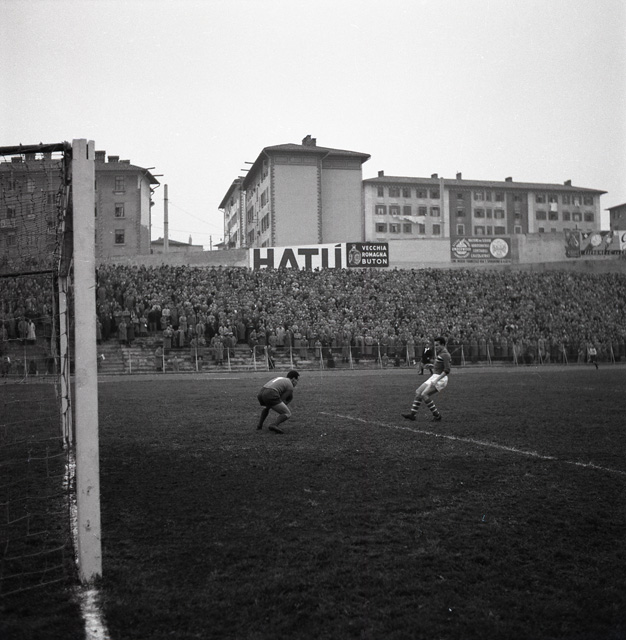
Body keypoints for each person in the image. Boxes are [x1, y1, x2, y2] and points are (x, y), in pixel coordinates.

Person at [402, 337, 451, 422]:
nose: (436, 347)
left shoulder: (445, 354)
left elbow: (447, 370)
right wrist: (432, 366)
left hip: (440, 378)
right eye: (435, 345)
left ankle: (437, 416)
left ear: (443, 344)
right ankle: (412, 415)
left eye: (437, 345)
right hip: (435, 376)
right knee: (418, 392)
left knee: (424, 394)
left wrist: (436, 380)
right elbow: (440, 366)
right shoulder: (440, 353)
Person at [256, 369, 299, 434]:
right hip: (270, 393)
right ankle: (274, 425)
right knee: (287, 413)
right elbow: (281, 399)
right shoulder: (290, 386)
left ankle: (259, 425)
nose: (297, 382)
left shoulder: (281, 378)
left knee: (267, 407)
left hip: (261, 393)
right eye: (297, 380)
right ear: (293, 379)